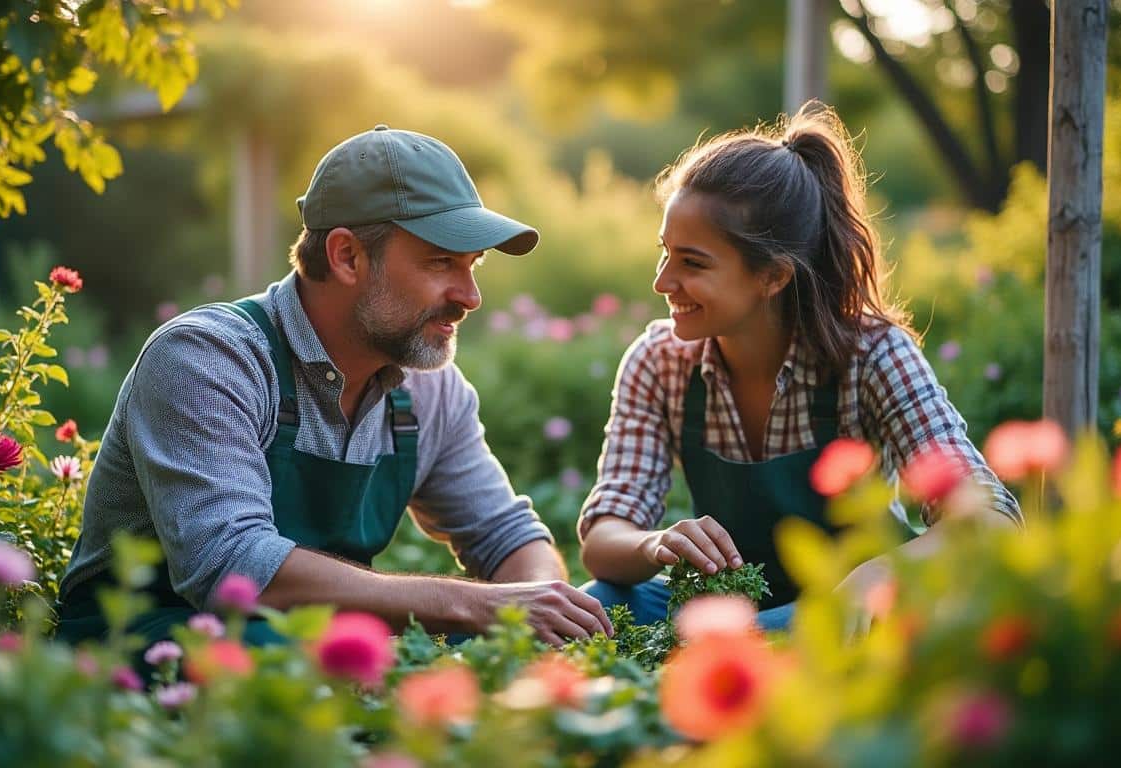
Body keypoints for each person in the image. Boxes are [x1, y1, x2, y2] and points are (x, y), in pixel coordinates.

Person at [56, 125, 610, 649]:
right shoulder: (209, 357)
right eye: (440, 262)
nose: (470, 296)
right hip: (143, 647)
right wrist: (470, 604)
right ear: (347, 256)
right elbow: (234, 569)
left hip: (308, 651)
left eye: (473, 266)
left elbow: (507, 536)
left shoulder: (430, 390)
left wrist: (538, 608)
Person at [578, 102, 1021, 632]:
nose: (662, 281)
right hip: (733, 606)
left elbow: (989, 518)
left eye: (692, 262)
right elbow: (603, 540)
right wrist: (654, 543)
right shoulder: (659, 361)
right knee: (595, 605)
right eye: (665, 253)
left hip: (853, 614)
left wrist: (877, 575)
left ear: (773, 277)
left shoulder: (873, 356)